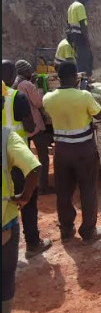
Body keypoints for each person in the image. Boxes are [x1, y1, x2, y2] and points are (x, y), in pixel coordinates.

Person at [43, 61, 101, 244]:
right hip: (84, 151)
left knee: (63, 192)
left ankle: (66, 230)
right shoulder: (84, 95)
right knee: (88, 190)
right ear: (75, 77)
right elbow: (99, 114)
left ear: (58, 78)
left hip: (61, 151)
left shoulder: (48, 98)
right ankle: (88, 232)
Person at [2, 81, 42, 313]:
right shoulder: (6, 137)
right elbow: (35, 167)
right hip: (4, 219)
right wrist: (25, 196)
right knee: (4, 278)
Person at [2, 60, 52, 260]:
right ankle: (32, 244)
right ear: (13, 73)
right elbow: (30, 127)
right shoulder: (17, 97)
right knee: (27, 200)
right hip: (16, 158)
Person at [13, 60, 53, 195]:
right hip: (34, 125)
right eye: (29, 70)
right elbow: (37, 103)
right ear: (24, 71)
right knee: (43, 156)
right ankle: (43, 186)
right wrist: (40, 88)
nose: (31, 72)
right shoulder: (26, 84)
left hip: (20, 127)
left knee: (25, 158)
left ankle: (25, 185)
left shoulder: (14, 83)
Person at [67, 0, 93, 78]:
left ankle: (80, 81)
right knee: (84, 62)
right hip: (81, 37)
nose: (86, 2)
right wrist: (87, 40)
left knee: (79, 61)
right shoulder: (80, 6)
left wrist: (70, 40)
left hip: (74, 38)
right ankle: (83, 84)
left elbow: (68, 26)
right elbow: (83, 25)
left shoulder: (71, 7)